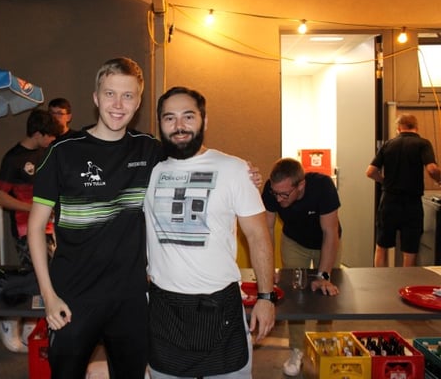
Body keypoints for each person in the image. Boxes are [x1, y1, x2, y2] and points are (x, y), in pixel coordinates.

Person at [27, 57, 163, 378]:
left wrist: (242, 171)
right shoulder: (62, 151)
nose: (118, 104)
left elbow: (193, 161)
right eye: (110, 94)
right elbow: (35, 228)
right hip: (73, 297)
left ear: (138, 102)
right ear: (96, 98)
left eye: (127, 96)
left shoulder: (150, 150)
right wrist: (49, 297)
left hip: (130, 298)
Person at [144, 86, 276, 379]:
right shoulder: (147, 172)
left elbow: (258, 237)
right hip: (165, 310)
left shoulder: (235, 169)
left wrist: (266, 297)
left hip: (221, 308)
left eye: (188, 116)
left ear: (204, 120)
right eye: (169, 118)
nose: (179, 126)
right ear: (160, 124)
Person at [261, 157, 341, 377]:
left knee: (325, 295)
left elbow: (330, 232)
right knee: (295, 295)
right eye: (276, 194)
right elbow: (267, 230)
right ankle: (297, 349)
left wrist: (324, 276)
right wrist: (268, 269)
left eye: (284, 194)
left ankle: (325, 345)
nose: (279, 199)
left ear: (301, 185)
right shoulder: (272, 190)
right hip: (294, 242)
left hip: (325, 242)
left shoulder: (323, 186)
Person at [0, 108, 61, 353]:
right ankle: (9, 321)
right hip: (25, 228)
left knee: (47, 277)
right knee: (34, 278)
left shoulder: (47, 153)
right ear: (37, 133)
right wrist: (33, 208)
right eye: (49, 135)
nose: (52, 139)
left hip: (49, 227)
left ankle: (32, 328)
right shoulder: (13, 158)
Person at [366, 113, 441, 267]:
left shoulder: (388, 144)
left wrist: (384, 181)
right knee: (410, 249)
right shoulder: (422, 144)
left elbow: (370, 172)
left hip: (389, 201)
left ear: (398, 128)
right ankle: (407, 280)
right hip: (412, 203)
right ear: (416, 127)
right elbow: (432, 169)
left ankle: (379, 278)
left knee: (382, 246)